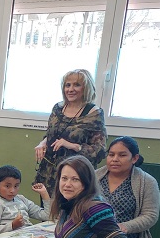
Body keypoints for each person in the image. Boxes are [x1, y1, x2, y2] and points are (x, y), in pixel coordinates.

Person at [34, 69, 107, 197]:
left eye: (76, 85)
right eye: (68, 85)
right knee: (47, 208)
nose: (70, 89)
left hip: (76, 176)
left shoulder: (94, 113)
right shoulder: (58, 108)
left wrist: (72, 146)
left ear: (86, 88)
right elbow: (51, 134)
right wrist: (43, 143)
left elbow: (99, 151)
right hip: (49, 174)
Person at [96, 136, 160, 238]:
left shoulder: (147, 182)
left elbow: (150, 215)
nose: (115, 159)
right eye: (111, 154)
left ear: (134, 158)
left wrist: (125, 227)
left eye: (122, 155)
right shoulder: (93, 176)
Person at [0, 165, 51, 236]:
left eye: (16, 186)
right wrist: (12, 225)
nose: (12, 190)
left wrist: (44, 193)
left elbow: (47, 216)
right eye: (7, 186)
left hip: (29, 235)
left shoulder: (22, 199)